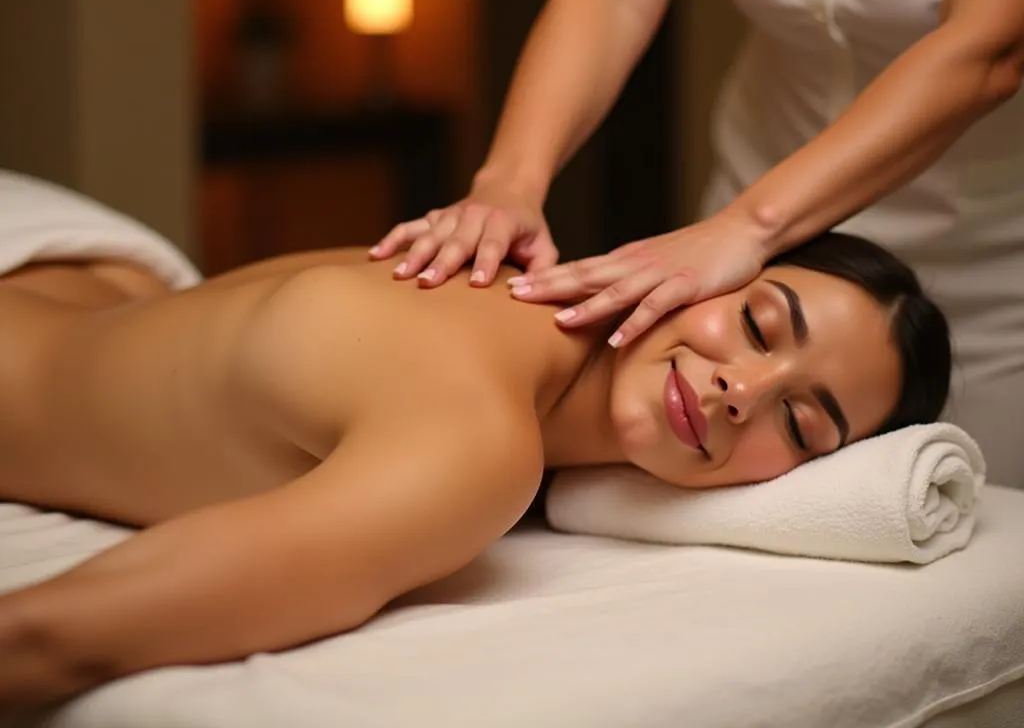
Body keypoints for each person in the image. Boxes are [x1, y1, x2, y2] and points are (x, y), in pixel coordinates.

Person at [369, 0, 1024, 487]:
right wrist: (512, 176)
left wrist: (751, 224)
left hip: (985, 272)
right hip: (759, 263)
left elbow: (986, 45)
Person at [0, 213, 947, 709]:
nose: (744, 389)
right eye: (755, 323)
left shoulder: (500, 271)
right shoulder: (477, 450)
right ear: (699, 269)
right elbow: (52, 637)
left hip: (94, 284)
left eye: (803, 428)